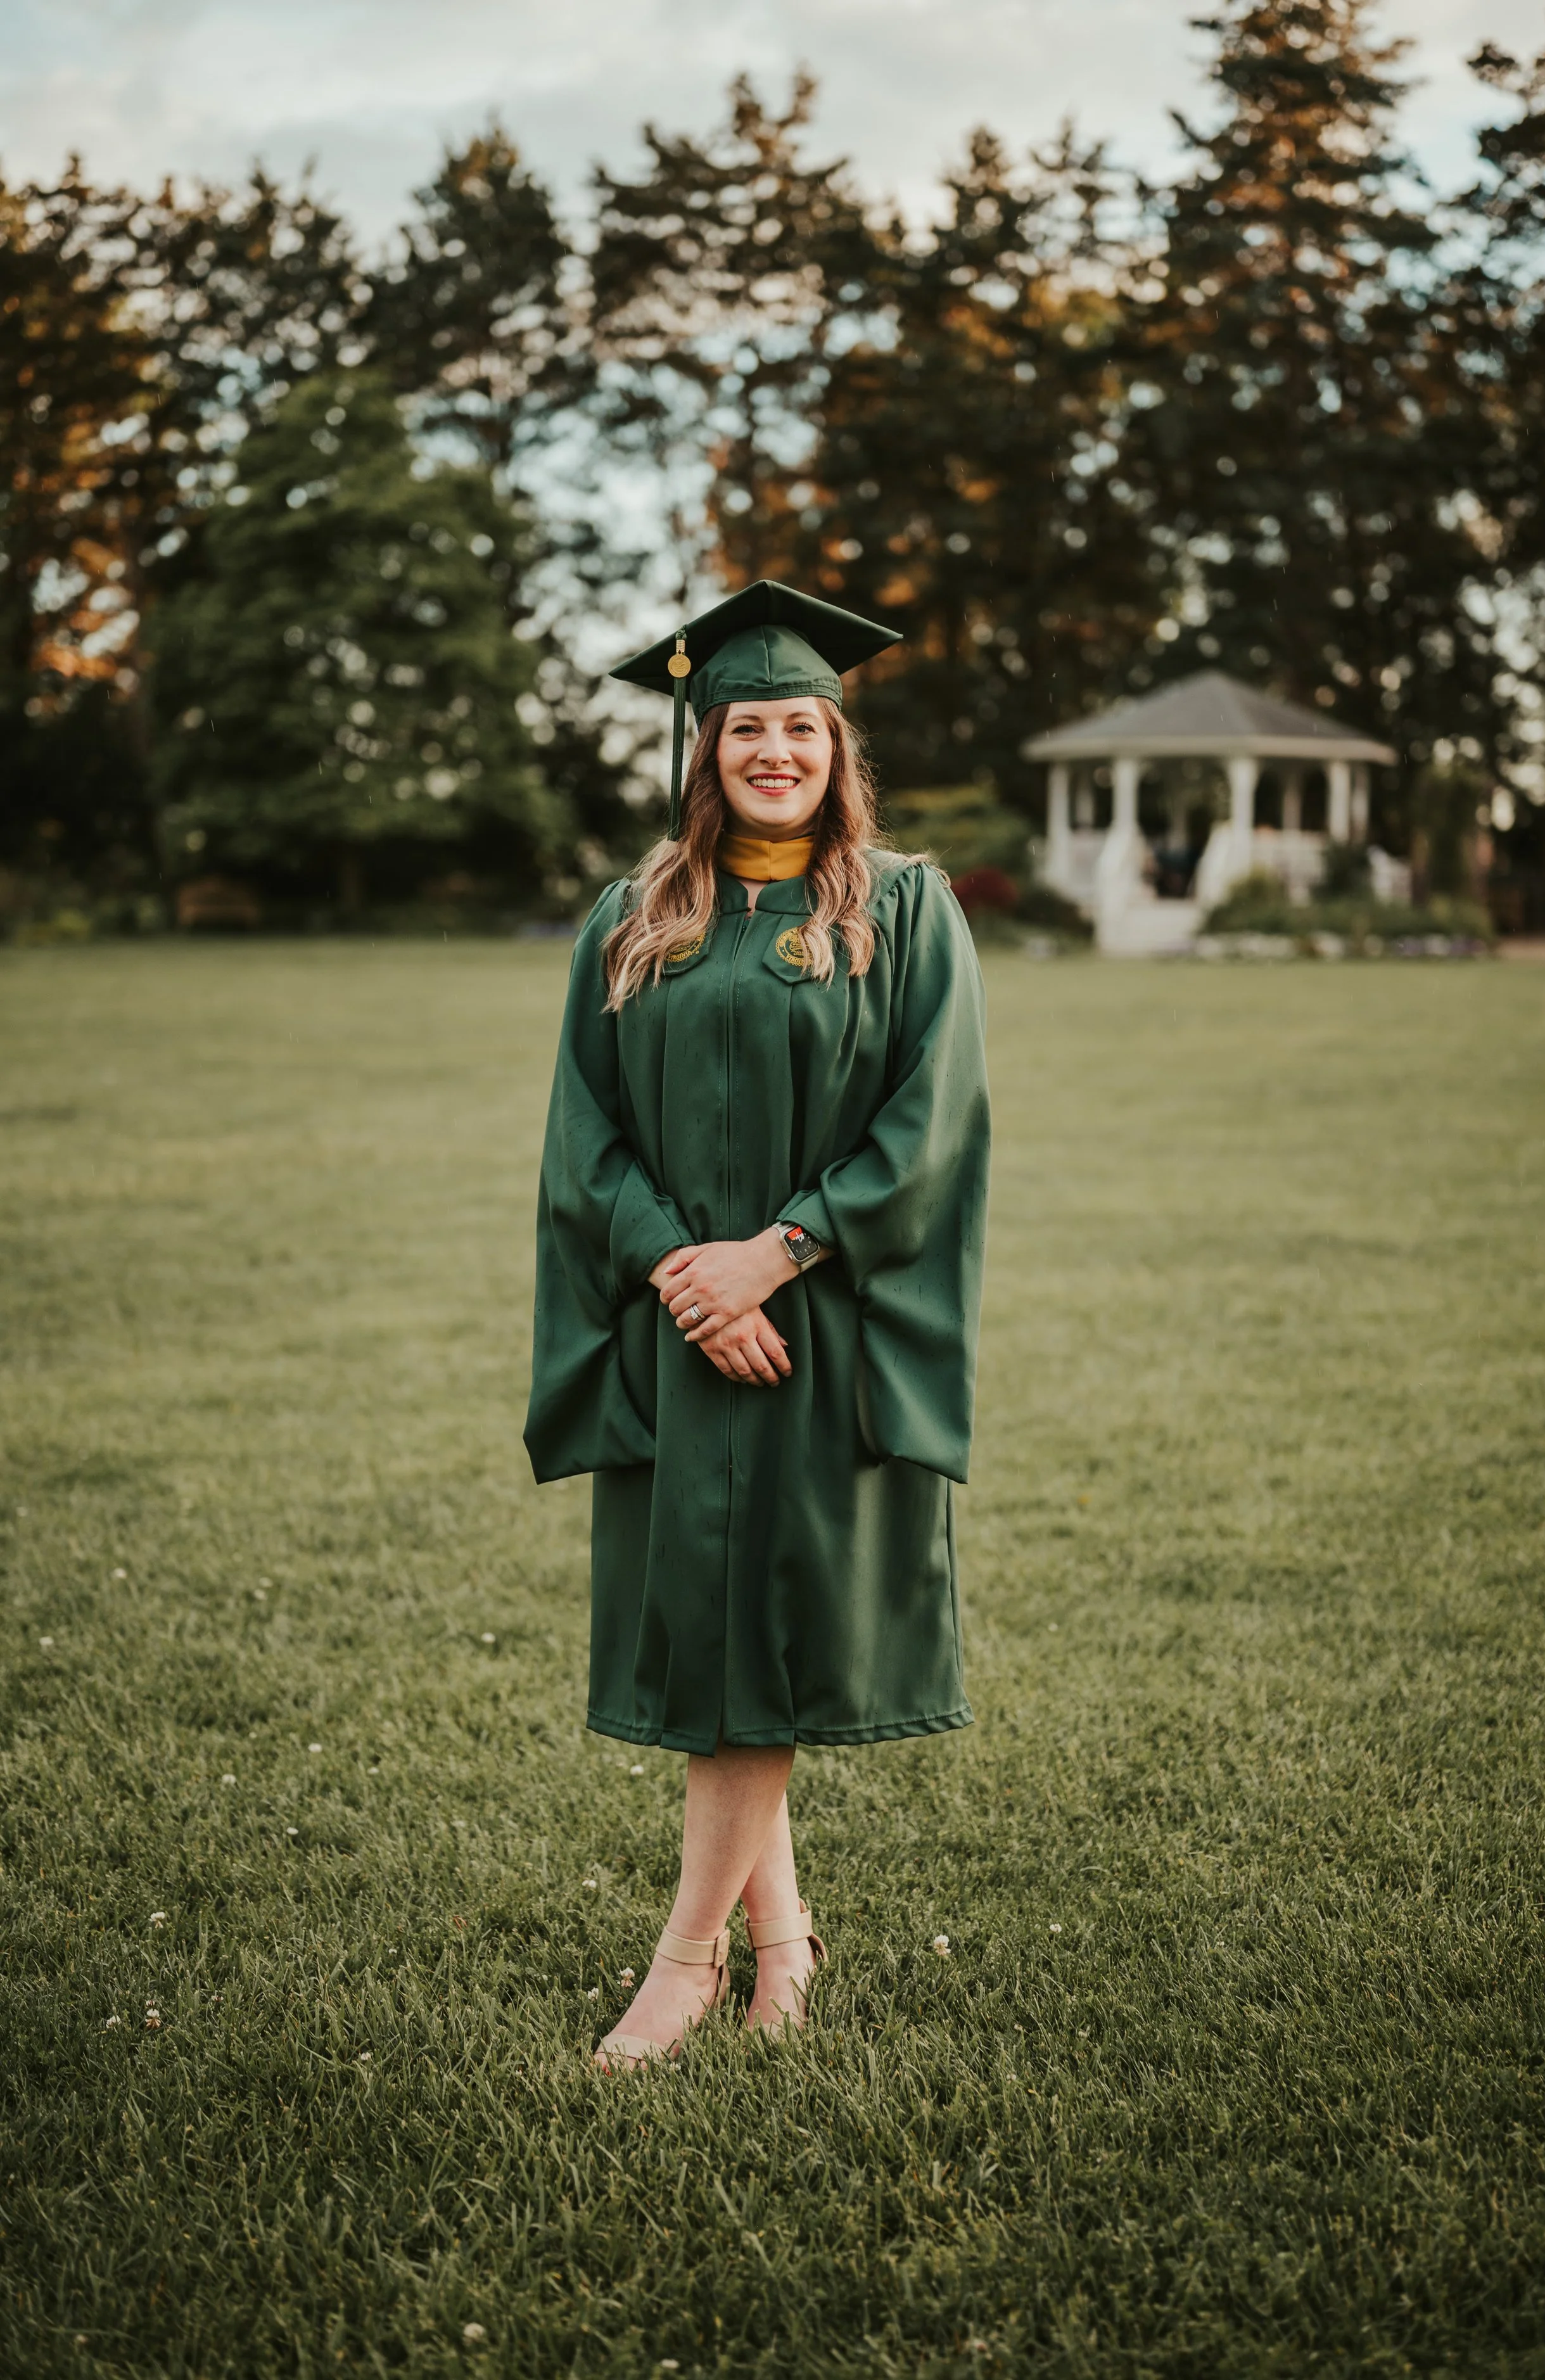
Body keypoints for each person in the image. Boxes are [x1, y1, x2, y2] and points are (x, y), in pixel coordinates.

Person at [525, 580, 990, 2068]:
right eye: (747, 726)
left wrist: (774, 1258)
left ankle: (684, 1963)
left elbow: (932, 1125)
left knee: (761, 1638)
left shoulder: (903, 909)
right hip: (683, 1328)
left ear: (836, 747)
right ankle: (779, 1939)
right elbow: (581, 1136)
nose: (774, 749)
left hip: (815, 1331)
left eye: (801, 724)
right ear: (703, 746)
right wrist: (682, 1271)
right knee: (718, 1641)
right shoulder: (635, 917)